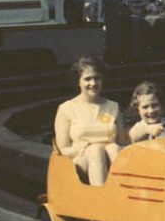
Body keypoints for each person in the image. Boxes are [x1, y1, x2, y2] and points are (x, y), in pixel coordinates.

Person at [54, 56, 127, 186]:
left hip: (111, 156)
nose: (93, 83)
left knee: (114, 148)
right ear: (78, 81)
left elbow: (122, 143)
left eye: (97, 78)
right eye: (87, 79)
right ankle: (101, 198)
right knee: (96, 150)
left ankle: (121, 194)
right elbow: (63, 150)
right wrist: (86, 148)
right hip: (80, 159)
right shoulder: (66, 108)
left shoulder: (113, 106)